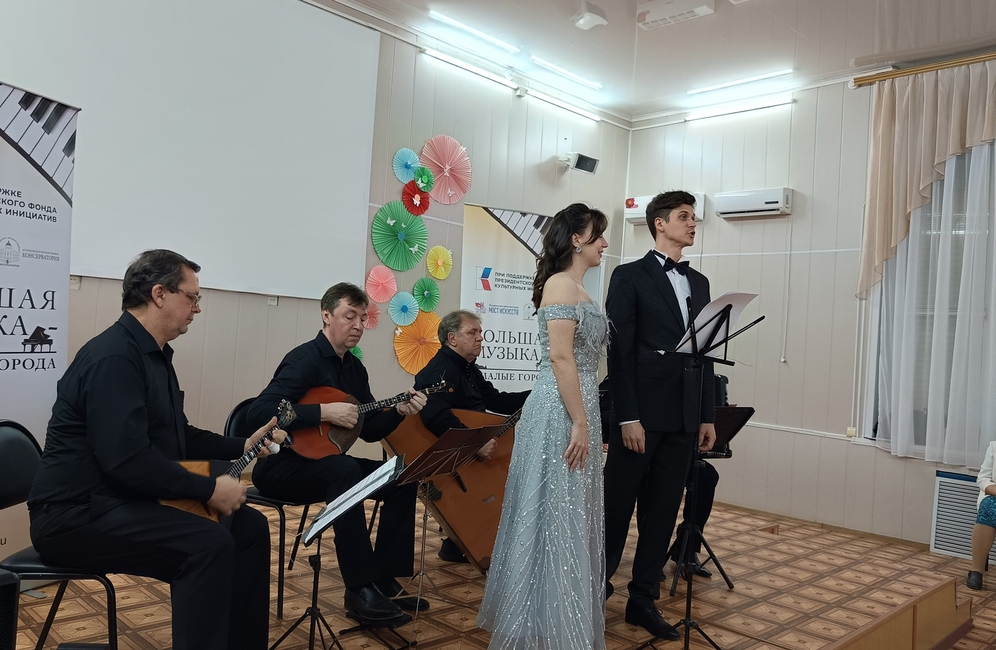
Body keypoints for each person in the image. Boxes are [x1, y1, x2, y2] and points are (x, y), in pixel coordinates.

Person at [28, 249, 282, 650]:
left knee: (248, 528)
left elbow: (177, 435)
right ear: (159, 294)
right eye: (192, 297)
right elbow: (127, 460)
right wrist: (210, 488)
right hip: (74, 515)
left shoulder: (153, 355)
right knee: (208, 544)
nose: (197, 308)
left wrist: (242, 444)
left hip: (118, 500)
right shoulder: (113, 357)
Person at [247, 282, 427, 626]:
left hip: (325, 466)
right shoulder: (304, 360)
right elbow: (259, 412)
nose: (358, 325)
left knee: (400, 476)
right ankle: (359, 590)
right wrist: (323, 413)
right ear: (327, 315)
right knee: (344, 470)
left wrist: (398, 412)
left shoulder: (355, 369)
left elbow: (369, 429)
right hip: (281, 467)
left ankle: (384, 579)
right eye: (350, 316)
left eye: (363, 318)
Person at [477, 203, 610, 649]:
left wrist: (587, 420)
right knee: (552, 510)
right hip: (559, 411)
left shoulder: (578, 287)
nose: (604, 243)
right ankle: (541, 622)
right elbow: (560, 357)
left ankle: (557, 619)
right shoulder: (560, 284)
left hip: (578, 407)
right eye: (597, 235)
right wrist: (580, 422)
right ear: (576, 239)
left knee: (569, 512)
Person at [604, 190, 716, 641]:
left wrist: (707, 415)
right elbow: (619, 352)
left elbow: (706, 354)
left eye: (694, 217)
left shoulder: (700, 283)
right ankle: (594, 590)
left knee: (664, 512)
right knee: (616, 509)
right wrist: (627, 416)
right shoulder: (628, 275)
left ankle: (642, 599)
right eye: (684, 216)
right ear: (659, 224)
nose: (692, 224)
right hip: (640, 416)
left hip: (685, 417)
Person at [414, 309, 530, 563]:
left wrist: (535, 396)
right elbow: (435, 416)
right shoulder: (438, 371)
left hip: (473, 450)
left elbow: (495, 400)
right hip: (457, 458)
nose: (480, 338)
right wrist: (474, 444)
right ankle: (464, 545)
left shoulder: (468, 368)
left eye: (480, 332)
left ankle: (465, 545)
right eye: (472, 332)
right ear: (452, 338)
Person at [969, 439, 996, 590]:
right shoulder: (994, 446)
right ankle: (976, 571)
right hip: (995, 496)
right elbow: (983, 479)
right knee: (988, 507)